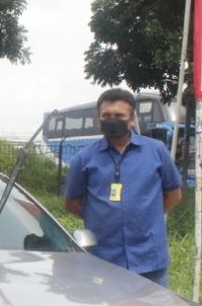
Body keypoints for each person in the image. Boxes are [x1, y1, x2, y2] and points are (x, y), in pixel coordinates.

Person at [64, 88, 183, 287]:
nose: (112, 120)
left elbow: (173, 194)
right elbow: (71, 203)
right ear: (98, 119)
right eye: (106, 115)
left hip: (149, 259)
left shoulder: (156, 151)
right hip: (103, 259)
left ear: (132, 119)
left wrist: (146, 214)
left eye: (119, 115)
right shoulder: (84, 158)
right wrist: (100, 216)